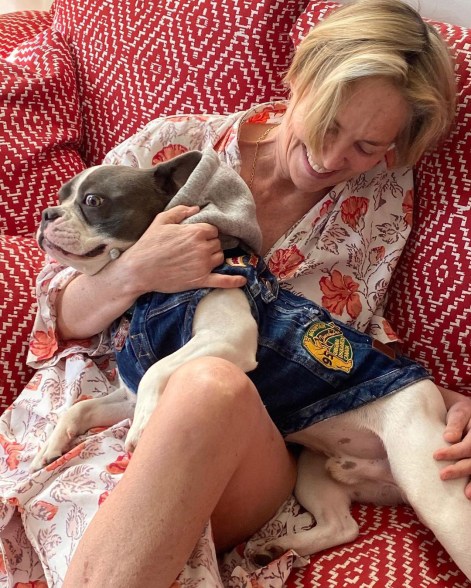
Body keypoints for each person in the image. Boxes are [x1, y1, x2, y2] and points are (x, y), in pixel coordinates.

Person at [1, 0, 470, 586]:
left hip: (251, 439)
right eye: (326, 123)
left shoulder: (378, 207)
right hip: (106, 398)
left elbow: (340, 352)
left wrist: (447, 402)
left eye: (367, 147)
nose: (331, 158)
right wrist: (137, 269)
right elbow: (57, 317)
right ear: (299, 77)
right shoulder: (175, 148)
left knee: (212, 381)